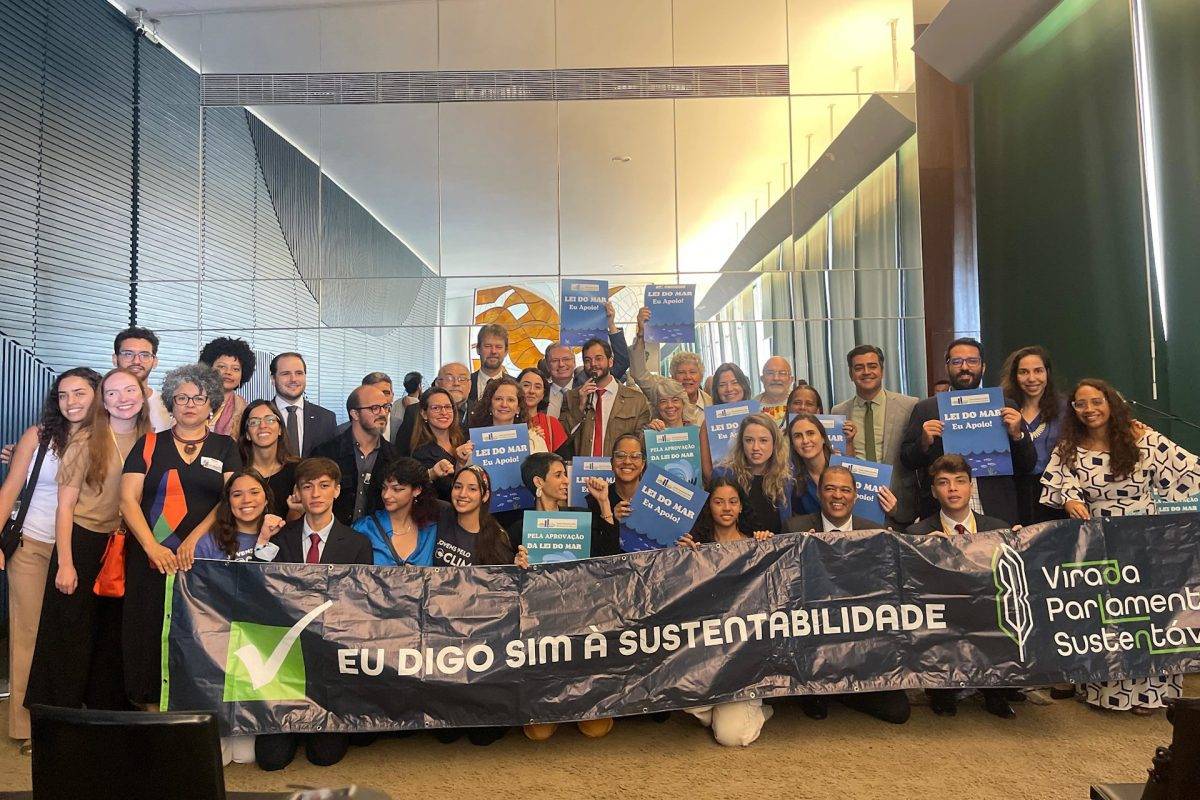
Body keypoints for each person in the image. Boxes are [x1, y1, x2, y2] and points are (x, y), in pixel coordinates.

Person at [1041, 379, 1199, 715]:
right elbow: (1060, 482)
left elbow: (1188, 472)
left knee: (1149, 615)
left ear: (1111, 403)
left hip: (1146, 541)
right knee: (1106, 617)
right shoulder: (1070, 447)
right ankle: (1107, 692)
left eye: (1096, 401)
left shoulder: (1142, 438)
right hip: (1099, 541)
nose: (1089, 410)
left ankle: (1151, 693)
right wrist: (1070, 499)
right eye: (1081, 404)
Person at [26, 368, 147, 723]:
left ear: (143, 395)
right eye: (112, 393)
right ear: (102, 401)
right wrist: (65, 563)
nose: (122, 399)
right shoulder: (86, 439)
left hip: (126, 543)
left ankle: (106, 717)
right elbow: (64, 506)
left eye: (130, 390)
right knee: (69, 632)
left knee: (112, 633)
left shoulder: (151, 438)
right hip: (82, 541)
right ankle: (56, 720)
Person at [120, 363, 241, 707]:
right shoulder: (148, 444)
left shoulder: (225, 446)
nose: (190, 404)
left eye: (198, 398)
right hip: (150, 559)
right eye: (181, 397)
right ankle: (148, 712)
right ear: (171, 403)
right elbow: (127, 500)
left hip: (202, 559)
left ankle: (195, 708)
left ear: (211, 404)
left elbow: (231, 498)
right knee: (147, 632)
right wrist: (152, 547)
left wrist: (194, 540)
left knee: (198, 633)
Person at [0, 367, 100, 752]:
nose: (70, 402)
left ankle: (73, 717)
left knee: (72, 637)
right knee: (29, 634)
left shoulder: (108, 437)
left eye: (80, 393)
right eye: (63, 395)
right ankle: (28, 727)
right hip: (34, 545)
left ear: (98, 395)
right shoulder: (39, 436)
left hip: (84, 551)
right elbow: (11, 487)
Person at [255, 457, 372, 771]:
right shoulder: (281, 537)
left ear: (337, 490)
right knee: (271, 760)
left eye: (324, 486)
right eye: (307, 487)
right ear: (297, 493)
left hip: (331, 659)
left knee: (324, 756)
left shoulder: (358, 544)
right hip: (287, 658)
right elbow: (260, 591)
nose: (316, 494)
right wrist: (263, 541)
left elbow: (361, 606)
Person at [784, 465, 909, 724]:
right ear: (819, 493)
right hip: (814, 637)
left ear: (855, 496)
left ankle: (843, 692)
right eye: (830, 489)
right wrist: (803, 555)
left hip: (860, 638)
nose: (837, 496)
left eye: (845, 490)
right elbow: (785, 587)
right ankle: (820, 692)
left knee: (898, 712)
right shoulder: (796, 527)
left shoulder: (875, 531)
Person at [510, 452, 620, 742]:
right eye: (558, 475)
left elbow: (609, 557)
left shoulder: (579, 518)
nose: (565, 480)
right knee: (539, 733)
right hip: (540, 627)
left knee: (596, 729)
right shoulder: (519, 527)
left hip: (581, 620)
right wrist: (516, 565)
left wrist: (604, 503)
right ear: (538, 481)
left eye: (565, 474)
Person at [907, 454, 1017, 719]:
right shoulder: (917, 534)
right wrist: (926, 553)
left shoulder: (999, 529)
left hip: (987, 611)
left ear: (971, 486)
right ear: (934, 491)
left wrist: (1022, 546)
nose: (952, 489)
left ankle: (995, 690)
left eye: (959, 481)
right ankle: (942, 690)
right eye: (943, 483)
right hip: (941, 613)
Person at [191, 467, 285, 767]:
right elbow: (199, 594)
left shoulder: (283, 534)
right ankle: (219, 726)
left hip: (260, 638)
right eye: (237, 494)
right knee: (217, 758)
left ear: (266, 498)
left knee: (246, 756)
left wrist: (264, 540)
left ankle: (246, 723)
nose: (247, 500)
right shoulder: (209, 541)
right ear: (228, 501)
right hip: (219, 635)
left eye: (254, 492)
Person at [674, 477, 774, 745]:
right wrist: (679, 559)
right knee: (682, 695)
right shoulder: (695, 548)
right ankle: (718, 712)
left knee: (731, 737)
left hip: (743, 657)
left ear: (741, 507)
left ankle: (758, 710)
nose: (726, 508)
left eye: (732, 502)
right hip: (706, 652)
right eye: (719, 502)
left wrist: (769, 546)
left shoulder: (757, 544)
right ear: (709, 507)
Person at [900, 338, 1036, 523]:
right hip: (941, 514)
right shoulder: (926, 409)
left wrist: (1017, 435)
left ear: (983, 367)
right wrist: (923, 443)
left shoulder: (1005, 406)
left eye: (972, 361)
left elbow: (1028, 464)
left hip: (996, 511)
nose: (964, 367)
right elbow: (907, 461)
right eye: (957, 361)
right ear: (947, 367)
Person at [430, 464, 514, 747]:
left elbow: (504, 596)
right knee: (445, 735)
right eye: (457, 486)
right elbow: (410, 491)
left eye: (472, 488)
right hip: (440, 631)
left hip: (478, 636)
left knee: (484, 737)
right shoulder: (440, 515)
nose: (462, 494)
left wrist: (520, 566)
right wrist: (433, 473)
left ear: (485, 495)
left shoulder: (497, 537)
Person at [831, 345, 920, 526]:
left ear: (882, 370)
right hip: (856, 506)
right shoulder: (838, 412)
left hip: (899, 505)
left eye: (872, 366)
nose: (866, 372)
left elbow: (914, 454)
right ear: (850, 374)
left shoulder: (909, 406)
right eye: (859, 368)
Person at [1000, 345, 1067, 525]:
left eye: (1038, 371)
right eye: (1024, 372)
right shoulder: (1002, 409)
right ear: (1014, 376)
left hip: (1055, 494)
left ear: (1047, 373)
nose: (1031, 378)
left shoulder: (1066, 409)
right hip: (1014, 494)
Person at [311, 384, 395, 525]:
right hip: (333, 533)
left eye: (386, 407)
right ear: (355, 414)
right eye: (374, 408)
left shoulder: (394, 456)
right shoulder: (326, 453)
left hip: (376, 534)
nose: (382, 413)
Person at [562, 338, 651, 457]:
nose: (593, 364)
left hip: (619, 467)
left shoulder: (636, 400)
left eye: (599, 358)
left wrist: (652, 430)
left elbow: (642, 444)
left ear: (610, 362)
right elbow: (562, 439)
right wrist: (580, 408)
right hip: (583, 467)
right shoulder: (572, 397)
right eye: (588, 360)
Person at [352, 457, 443, 566]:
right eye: (384, 488)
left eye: (396, 489)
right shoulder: (364, 527)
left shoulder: (431, 529)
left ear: (417, 490)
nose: (386, 495)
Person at [711, 413, 793, 534]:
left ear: (775, 443)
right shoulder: (724, 474)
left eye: (763, 440)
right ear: (741, 443)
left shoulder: (785, 476)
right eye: (749, 440)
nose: (755, 447)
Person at [630, 307, 711, 410]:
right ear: (672, 376)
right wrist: (641, 334)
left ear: (701, 376)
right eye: (681, 372)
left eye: (692, 372)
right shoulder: (662, 391)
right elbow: (639, 374)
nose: (687, 377)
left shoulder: (711, 404)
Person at [237, 400, 301, 521]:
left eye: (270, 420)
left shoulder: (298, 470)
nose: (263, 426)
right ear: (247, 434)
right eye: (254, 422)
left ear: (280, 429)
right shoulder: (236, 470)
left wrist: (295, 510)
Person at [393, 362, 472, 456]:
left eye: (462, 379)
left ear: (470, 384)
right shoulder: (415, 411)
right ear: (437, 383)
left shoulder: (481, 410)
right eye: (449, 378)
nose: (456, 383)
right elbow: (401, 455)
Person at [410, 387, 474, 502]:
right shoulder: (420, 453)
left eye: (448, 407)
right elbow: (450, 493)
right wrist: (460, 464)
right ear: (424, 414)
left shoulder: (466, 439)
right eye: (436, 408)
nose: (444, 412)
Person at [270, 352, 337, 457]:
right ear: (273, 379)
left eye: (299, 373)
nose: (293, 379)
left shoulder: (326, 419)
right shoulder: (260, 415)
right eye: (286, 374)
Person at [468, 375, 549, 453]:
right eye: (498, 399)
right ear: (489, 405)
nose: (504, 405)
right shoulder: (476, 441)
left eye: (510, 400)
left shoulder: (533, 438)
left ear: (518, 408)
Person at [113, 326, 170, 431]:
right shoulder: (102, 402)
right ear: (115, 359)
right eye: (128, 354)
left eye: (144, 355)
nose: (136, 361)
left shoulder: (167, 405)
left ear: (155, 361)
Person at [199, 336, 254, 438]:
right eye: (222, 367)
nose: (228, 372)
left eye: (235, 369)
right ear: (208, 369)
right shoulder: (191, 401)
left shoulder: (245, 411)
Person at [785, 413, 834, 519]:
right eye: (798, 436)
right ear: (792, 445)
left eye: (810, 433)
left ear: (823, 438)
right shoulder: (791, 480)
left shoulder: (844, 466)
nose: (805, 441)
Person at [518, 367, 569, 455]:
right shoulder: (506, 420)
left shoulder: (552, 424)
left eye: (537, 387)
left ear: (543, 394)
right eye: (526, 385)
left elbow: (562, 460)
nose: (531, 391)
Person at [470, 324, 512, 405]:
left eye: (498, 347)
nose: (493, 351)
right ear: (478, 349)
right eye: (488, 346)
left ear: (506, 351)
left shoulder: (516, 384)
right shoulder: (465, 383)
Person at [756, 356, 794, 424]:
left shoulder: (800, 404)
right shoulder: (751, 408)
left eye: (782, 373)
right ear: (762, 379)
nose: (776, 378)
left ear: (791, 380)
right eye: (770, 373)